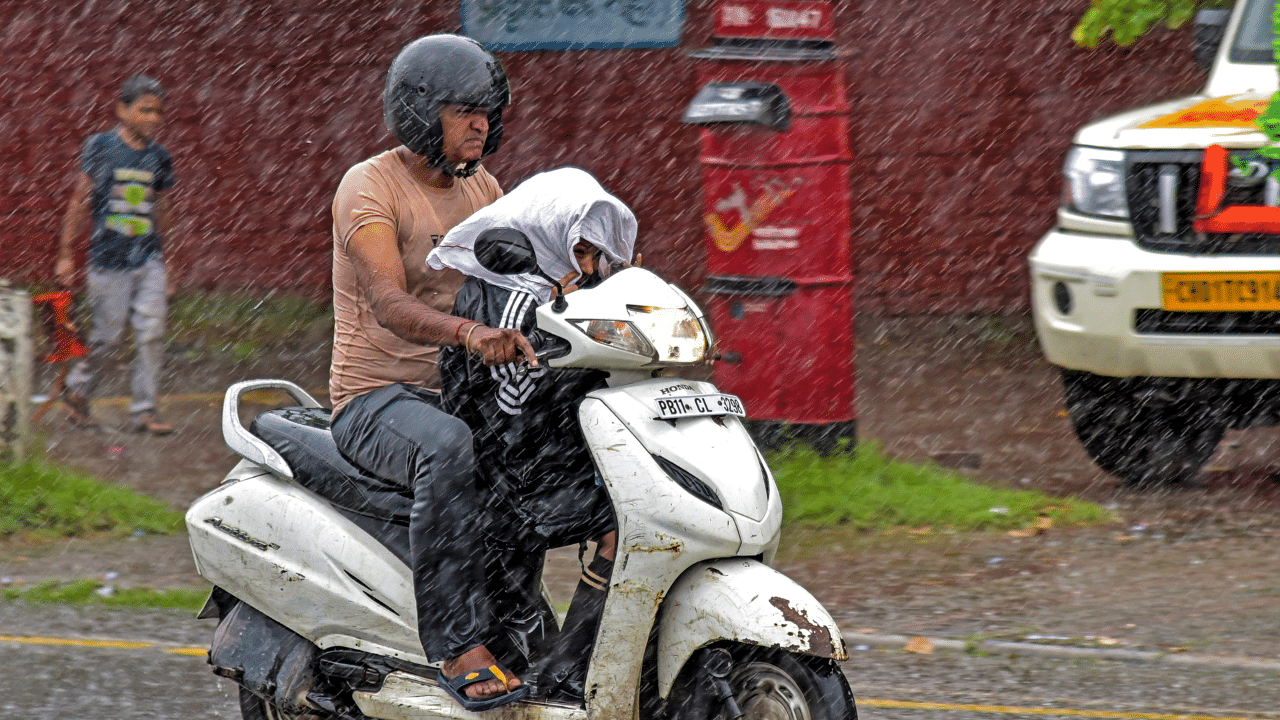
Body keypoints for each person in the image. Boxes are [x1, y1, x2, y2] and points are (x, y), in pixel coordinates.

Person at [325, 34, 537, 712]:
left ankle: (523, 625)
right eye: (465, 110)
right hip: (374, 399)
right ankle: (455, 642)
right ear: (420, 112)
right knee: (451, 448)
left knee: (548, 447)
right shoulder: (370, 187)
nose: (483, 123)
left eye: (488, 111)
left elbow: (525, 272)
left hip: (458, 392)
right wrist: (470, 333)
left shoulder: (483, 187)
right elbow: (388, 304)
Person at [428, 167, 639, 701]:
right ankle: (571, 673)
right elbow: (512, 405)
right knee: (625, 523)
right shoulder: (511, 300)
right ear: (546, 237)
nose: (589, 267)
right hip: (503, 468)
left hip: (538, 453)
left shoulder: (559, 293)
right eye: (581, 252)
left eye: (595, 255)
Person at [55, 75, 178, 434]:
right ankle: (78, 392)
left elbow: (166, 211)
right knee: (106, 340)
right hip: (108, 261)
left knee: (151, 333)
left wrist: (170, 261)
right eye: (145, 110)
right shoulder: (101, 147)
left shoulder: (159, 157)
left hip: (149, 260)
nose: (154, 118)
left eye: (158, 112)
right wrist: (65, 254)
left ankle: (144, 411)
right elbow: (79, 201)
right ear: (121, 110)